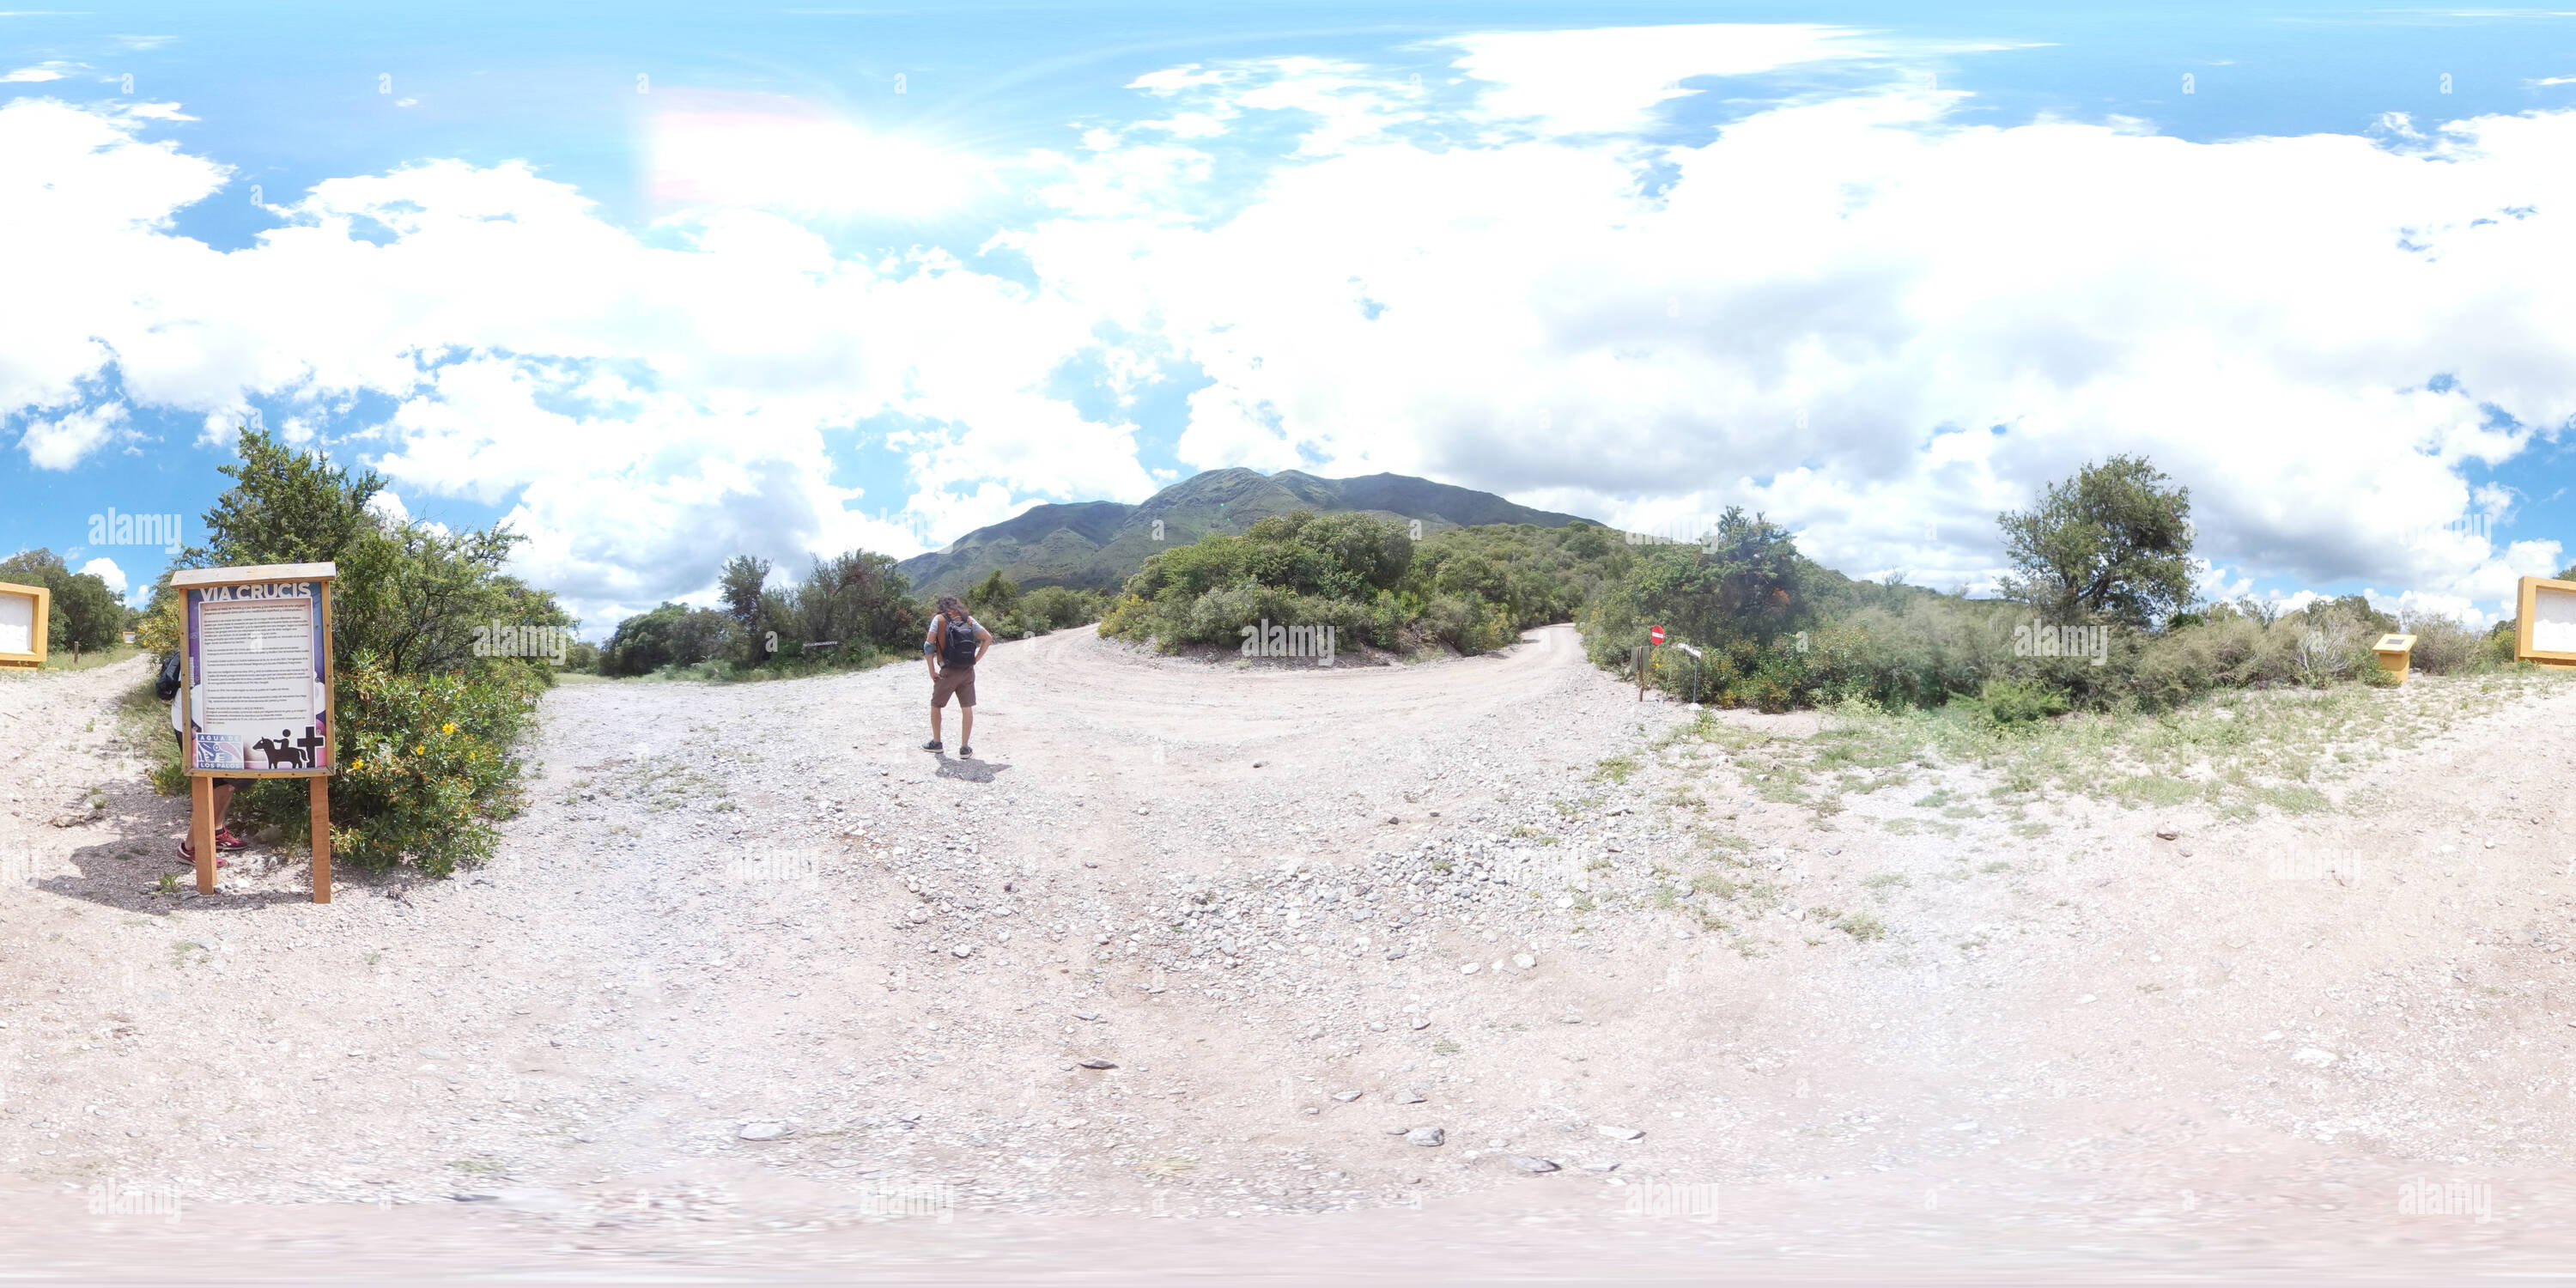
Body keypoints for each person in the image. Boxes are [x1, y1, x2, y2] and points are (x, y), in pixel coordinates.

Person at [169, 669, 251, 866]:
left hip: (222, 718)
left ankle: (215, 831)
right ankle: (191, 847)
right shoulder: (202, 641)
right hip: (199, 722)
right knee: (216, 785)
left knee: (230, 781)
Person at [923, 593, 991, 757]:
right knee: (966, 707)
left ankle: (937, 743)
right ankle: (965, 748)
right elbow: (987, 638)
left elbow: (928, 645)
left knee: (936, 705)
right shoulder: (968, 619)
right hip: (967, 670)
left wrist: (931, 669)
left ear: (940, 607)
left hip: (947, 670)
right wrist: (975, 660)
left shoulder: (938, 620)